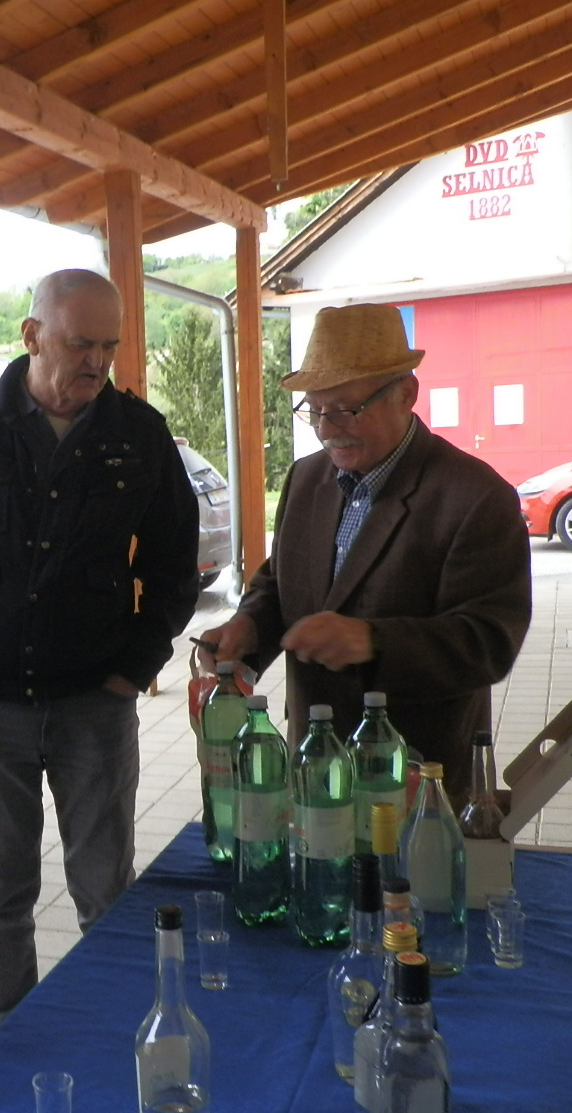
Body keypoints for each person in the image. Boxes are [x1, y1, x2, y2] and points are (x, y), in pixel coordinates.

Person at [0, 268, 200, 1036]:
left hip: (94, 704)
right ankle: (7, 1037)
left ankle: (121, 1037)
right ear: (32, 335)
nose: (96, 362)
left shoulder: (138, 434)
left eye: (109, 346)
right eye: (79, 344)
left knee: (106, 891)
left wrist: (134, 668)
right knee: (2, 894)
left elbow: (175, 565)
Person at [198, 302, 532, 787]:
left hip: (415, 773)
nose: (326, 429)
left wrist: (372, 643)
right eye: (315, 410)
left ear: (406, 394)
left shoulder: (475, 497)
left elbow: (488, 642)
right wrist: (248, 627)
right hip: (313, 763)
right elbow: (280, 582)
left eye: (346, 409)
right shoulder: (306, 479)